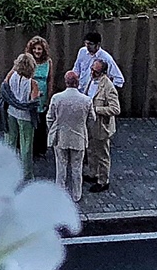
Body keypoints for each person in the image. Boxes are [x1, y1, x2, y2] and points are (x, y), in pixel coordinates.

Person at [45, 70, 96, 203]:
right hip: (78, 137)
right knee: (77, 167)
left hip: (60, 136)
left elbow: (49, 118)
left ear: (66, 82)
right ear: (77, 83)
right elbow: (92, 119)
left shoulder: (57, 98)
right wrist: (85, 129)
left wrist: (53, 129)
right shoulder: (86, 100)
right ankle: (76, 195)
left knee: (61, 167)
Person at [85, 57, 120, 192]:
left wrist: (97, 110)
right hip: (90, 124)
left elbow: (115, 109)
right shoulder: (91, 80)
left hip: (101, 126)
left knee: (102, 155)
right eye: (92, 70)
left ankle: (103, 180)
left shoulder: (108, 87)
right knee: (91, 151)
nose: (92, 73)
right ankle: (93, 173)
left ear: (103, 73)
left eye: (96, 72)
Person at [1, 54, 39, 176]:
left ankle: (7, 170)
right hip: (25, 116)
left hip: (11, 112)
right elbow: (33, 101)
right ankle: (27, 174)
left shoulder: (12, 76)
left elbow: (4, 85)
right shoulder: (33, 83)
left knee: (10, 142)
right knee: (26, 147)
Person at [25, 34, 52, 158]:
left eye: (39, 49)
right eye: (35, 49)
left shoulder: (48, 62)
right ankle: (29, 147)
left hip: (43, 93)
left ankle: (41, 148)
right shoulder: (28, 61)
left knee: (41, 122)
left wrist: (48, 97)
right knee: (30, 120)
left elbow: (50, 80)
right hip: (31, 93)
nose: (37, 51)